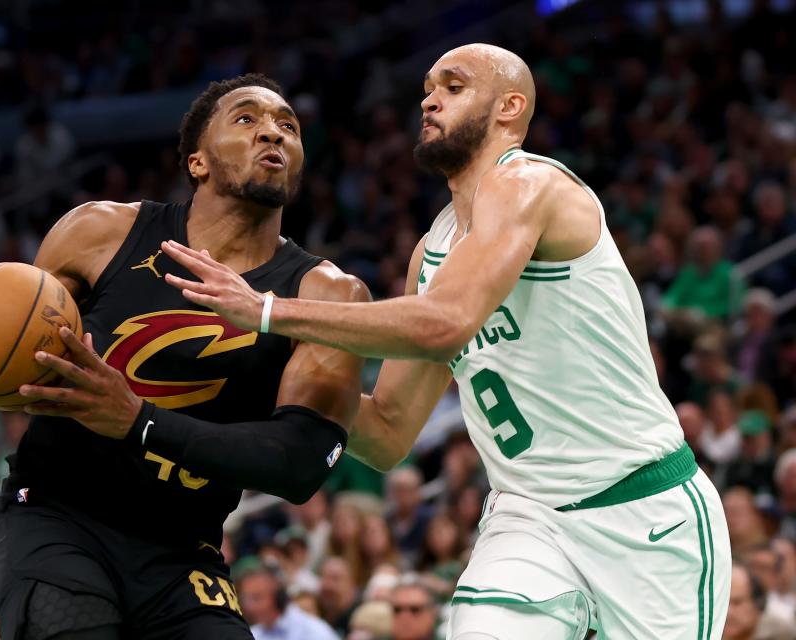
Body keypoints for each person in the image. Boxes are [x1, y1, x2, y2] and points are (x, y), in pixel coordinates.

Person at [163, 43, 731, 638]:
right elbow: (385, 432)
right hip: (528, 516)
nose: (430, 100)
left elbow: (445, 324)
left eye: (453, 87)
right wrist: (258, 375)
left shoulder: (530, 183)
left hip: (643, 511)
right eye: (428, 89)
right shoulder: (431, 251)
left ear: (509, 107)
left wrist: (268, 312)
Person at [0, 73, 366, 639]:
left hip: (184, 554)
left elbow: (297, 466)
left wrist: (138, 421)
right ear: (197, 162)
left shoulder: (327, 294)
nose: (272, 132)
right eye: (247, 119)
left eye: (288, 126)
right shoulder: (99, 232)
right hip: (57, 516)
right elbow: (4, 343)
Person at [236, 562, 337, 640]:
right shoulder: (253, 634)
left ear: (279, 597)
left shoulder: (314, 631)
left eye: (256, 598)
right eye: (246, 598)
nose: (249, 606)